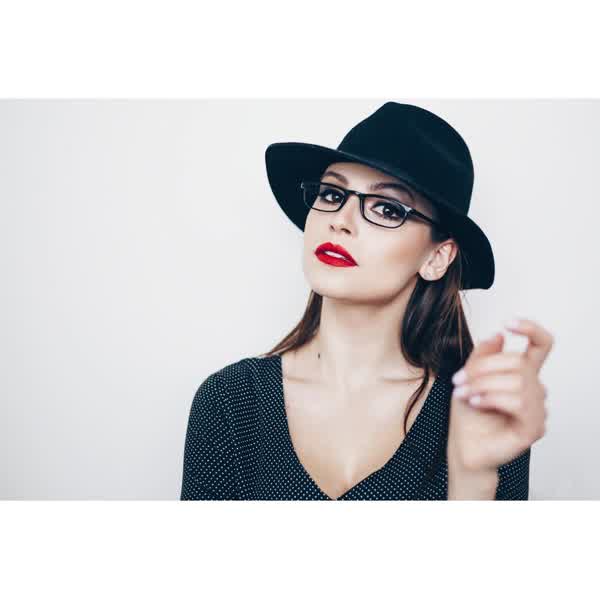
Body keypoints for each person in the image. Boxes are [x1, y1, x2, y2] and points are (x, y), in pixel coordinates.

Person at [180, 101, 552, 501]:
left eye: (387, 209)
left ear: (437, 257)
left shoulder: (483, 415)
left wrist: (472, 476)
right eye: (331, 193)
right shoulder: (231, 401)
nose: (340, 220)